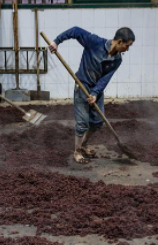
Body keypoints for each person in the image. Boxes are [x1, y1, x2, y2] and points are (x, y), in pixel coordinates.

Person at [49, 27, 135, 164]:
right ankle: (76, 151)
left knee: (97, 122)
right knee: (82, 122)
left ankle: (83, 145)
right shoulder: (94, 42)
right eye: (127, 45)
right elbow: (75, 31)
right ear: (119, 41)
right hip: (82, 85)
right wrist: (56, 42)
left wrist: (95, 93)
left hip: (96, 90)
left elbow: (105, 79)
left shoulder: (117, 59)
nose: (128, 49)